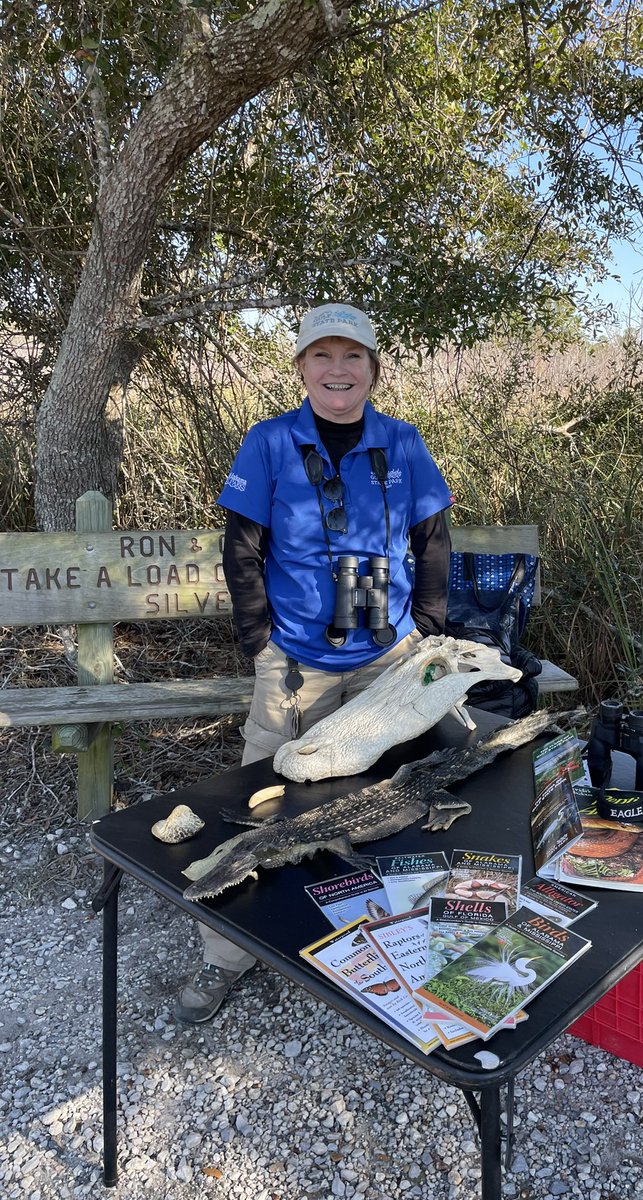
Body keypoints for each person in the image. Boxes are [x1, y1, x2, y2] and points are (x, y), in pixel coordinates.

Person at [174, 302, 452, 1023]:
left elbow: (433, 540)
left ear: (373, 369)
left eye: (352, 356)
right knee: (261, 803)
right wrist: (261, 644)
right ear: (300, 367)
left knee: (402, 791)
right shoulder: (268, 443)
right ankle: (226, 955)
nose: (337, 369)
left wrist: (425, 631)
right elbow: (241, 552)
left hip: (389, 655)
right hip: (298, 660)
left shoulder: (403, 442)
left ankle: (385, 934)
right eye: (322, 356)